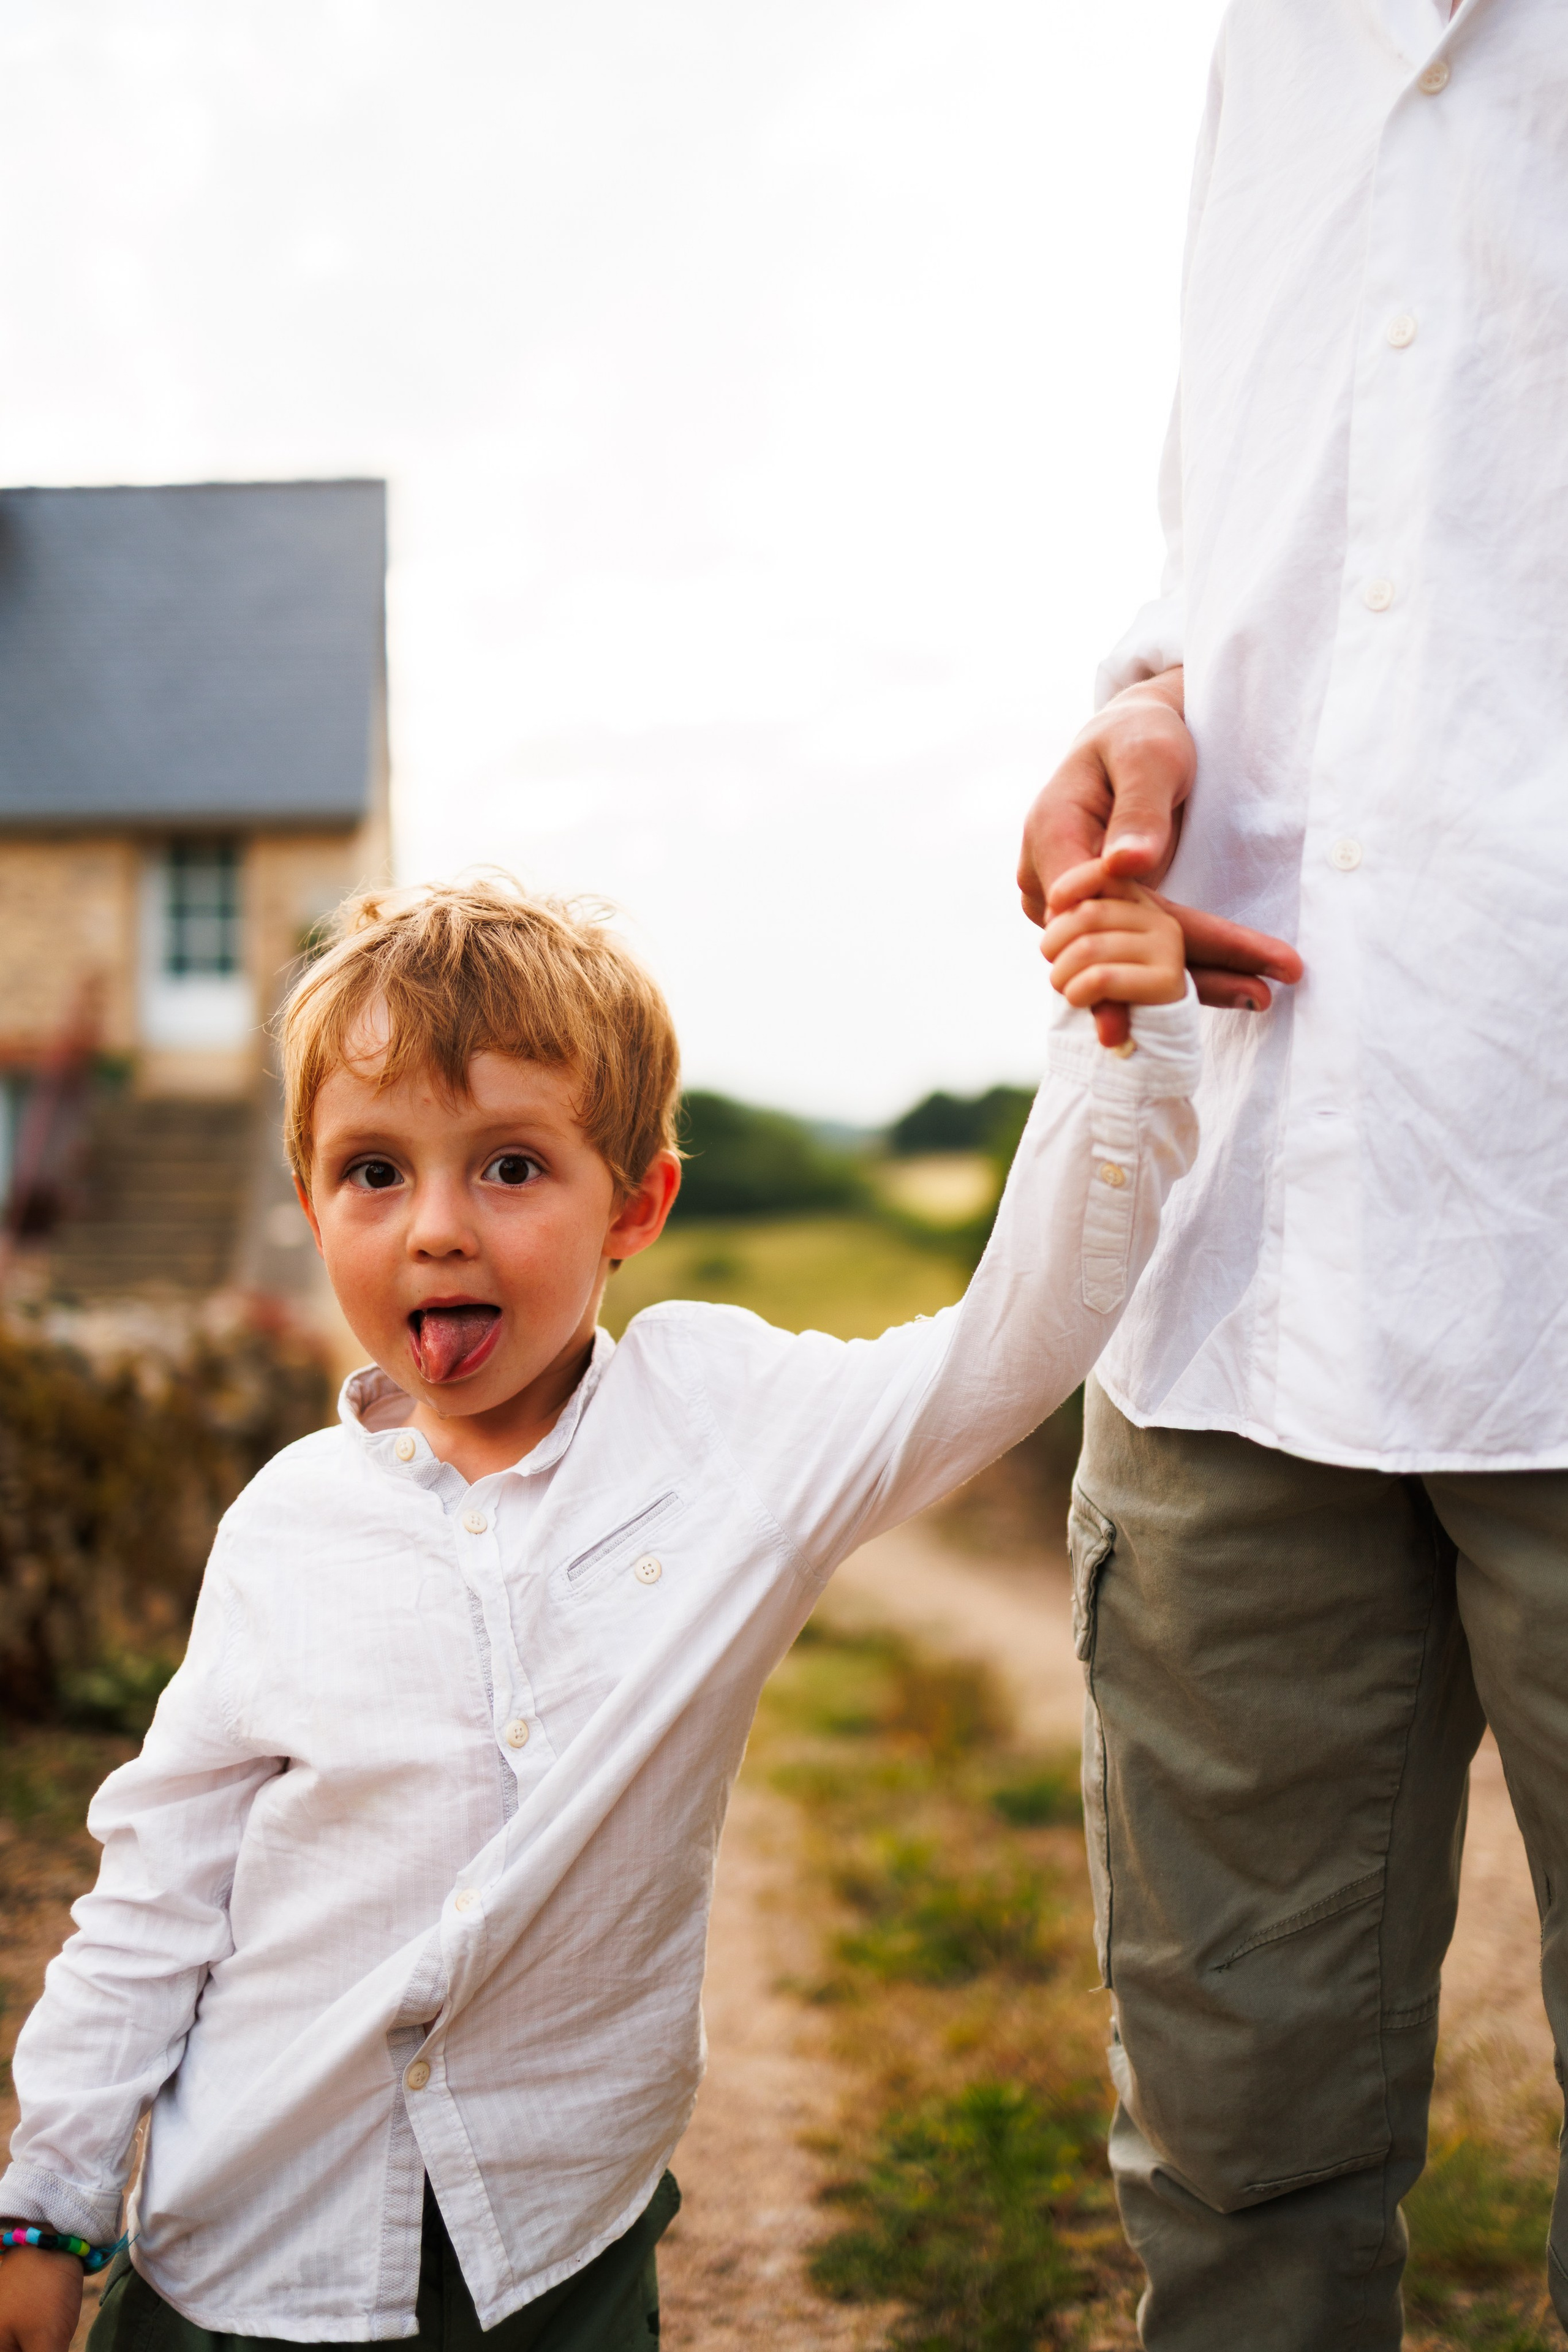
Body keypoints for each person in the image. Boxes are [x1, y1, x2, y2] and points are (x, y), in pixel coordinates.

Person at [0, 870, 1196, 2352]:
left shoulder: (726, 1434)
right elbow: (156, 1891)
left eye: (509, 1167)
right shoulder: (283, 1531)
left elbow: (1009, 1347)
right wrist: (46, 2210)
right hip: (252, 2255)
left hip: (553, 2258)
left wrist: (1119, 1039)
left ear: (635, 1203)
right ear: (310, 1203)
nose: (437, 1229)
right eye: (375, 1172)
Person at [1016, 3, 1568, 2346]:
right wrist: (1142, 695)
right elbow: (1239, 514)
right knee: (1234, 2192)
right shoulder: (1274, 44)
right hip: (1239, 1234)